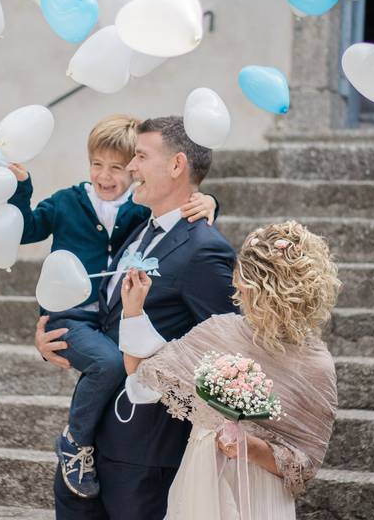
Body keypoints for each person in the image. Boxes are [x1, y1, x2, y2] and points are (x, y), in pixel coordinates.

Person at [35, 116, 238, 519]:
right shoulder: (138, 229)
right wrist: (53, 340)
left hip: (144, 457)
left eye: (141, 157)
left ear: (177, 165)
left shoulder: (204, 250)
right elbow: (104, 320)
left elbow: (227, 356)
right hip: (92, 447)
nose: (130, 167)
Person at [118, 220, 341, 520]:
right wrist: (132, 311)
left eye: (243, 280)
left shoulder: (317, 367)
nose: (235, 285)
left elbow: (304, 465)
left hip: (261, 497)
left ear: (270, 292)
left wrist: (247, 445)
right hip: (200, 482)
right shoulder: (219, 331)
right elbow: (143, 378)